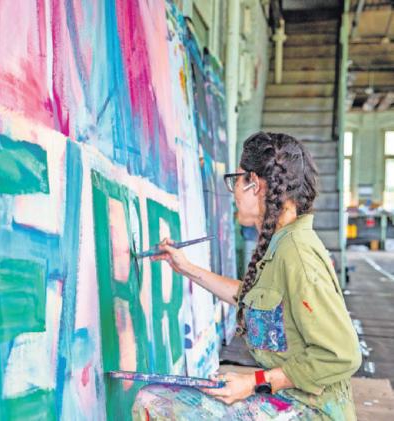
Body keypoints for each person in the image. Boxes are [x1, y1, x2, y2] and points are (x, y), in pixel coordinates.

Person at [133, 132, 361, 420]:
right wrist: (186, 267)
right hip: (290, 400)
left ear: (255, 183)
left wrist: (254, 383)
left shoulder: (297, 255)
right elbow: (250, 298)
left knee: (152, 401)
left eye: (236, 181)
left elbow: (342, 354)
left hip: (310, 410)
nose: (234, 193)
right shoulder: (283, 243)